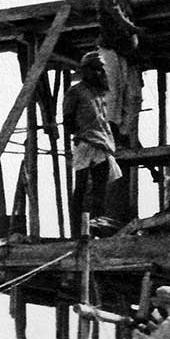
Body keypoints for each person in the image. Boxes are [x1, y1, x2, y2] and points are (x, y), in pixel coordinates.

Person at [64, 51, 120, 237]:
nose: (100, 73)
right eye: (96, 69)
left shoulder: (100, 93)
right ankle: (77, 232)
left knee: (100, 189)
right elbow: (68, 121)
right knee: (81, 188)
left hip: (103, 144)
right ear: (86, 71)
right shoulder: (76, 91)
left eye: (101, 70)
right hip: (86, 143)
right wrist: (83, 133)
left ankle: (97, 228)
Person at [96, 0, 142, 144]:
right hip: (111, 51)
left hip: (126, 52)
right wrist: (136, 30)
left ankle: (123, 134)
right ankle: (113, 134)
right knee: (113, 93)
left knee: (134, 96)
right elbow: (119, 18)